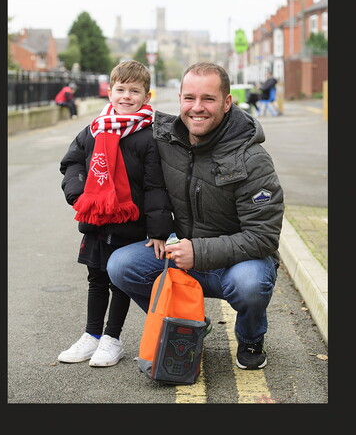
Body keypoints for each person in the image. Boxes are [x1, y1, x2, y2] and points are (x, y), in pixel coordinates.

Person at [107, 62, 283, 370]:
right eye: (189, 98)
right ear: (179, 99)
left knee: (251, 284)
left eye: (208, 99)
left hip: (238, 263)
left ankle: (251, 338)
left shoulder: (253, 159)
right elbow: (113, 135)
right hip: (183, 254)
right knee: (121, 265)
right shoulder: (165, 140)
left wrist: (198, 251)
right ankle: (187, 322)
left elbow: (263, 237)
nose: (197, 107)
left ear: (227, 102)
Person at [57, 60, 174, 367]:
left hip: (131, 224)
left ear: (146, 96)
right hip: (96, 221)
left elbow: (155, 186)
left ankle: (112, 339)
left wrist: (159, 231)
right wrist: (77, 194)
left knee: (118, 280)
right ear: (109, 92)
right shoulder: (94, 129)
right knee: (96, 278)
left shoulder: (148, 136)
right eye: (120, 90)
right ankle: (91, 335)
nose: (126, 96)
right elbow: (72, 163)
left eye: (134, 91)